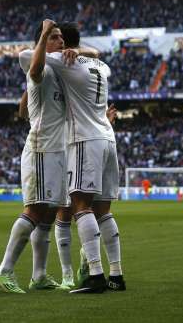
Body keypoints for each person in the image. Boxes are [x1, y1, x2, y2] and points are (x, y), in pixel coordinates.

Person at [40, 21, 126, 293]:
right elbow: (98, 55)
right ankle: (117, 274)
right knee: (104, 210)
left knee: (80, 205)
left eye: (60, 40)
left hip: (84, 139)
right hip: (108, 137)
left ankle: (95, 275)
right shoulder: (102, 67)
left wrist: (48, 41)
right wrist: (85, 52)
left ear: (65, 42)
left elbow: (27, 57)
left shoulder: (65, 62)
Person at [0, 20, 67, 294]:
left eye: (62, 38)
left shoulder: (59, 72)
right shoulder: (40, 66)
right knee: (35, 209)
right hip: (41, 147)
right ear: (43, 42)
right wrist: (45, 32)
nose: (61, 41)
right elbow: (33, 71)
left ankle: (40, 275)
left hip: (58, 149)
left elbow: (22, 109)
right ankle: (4, 270)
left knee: (47, 215)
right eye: (55, 38)